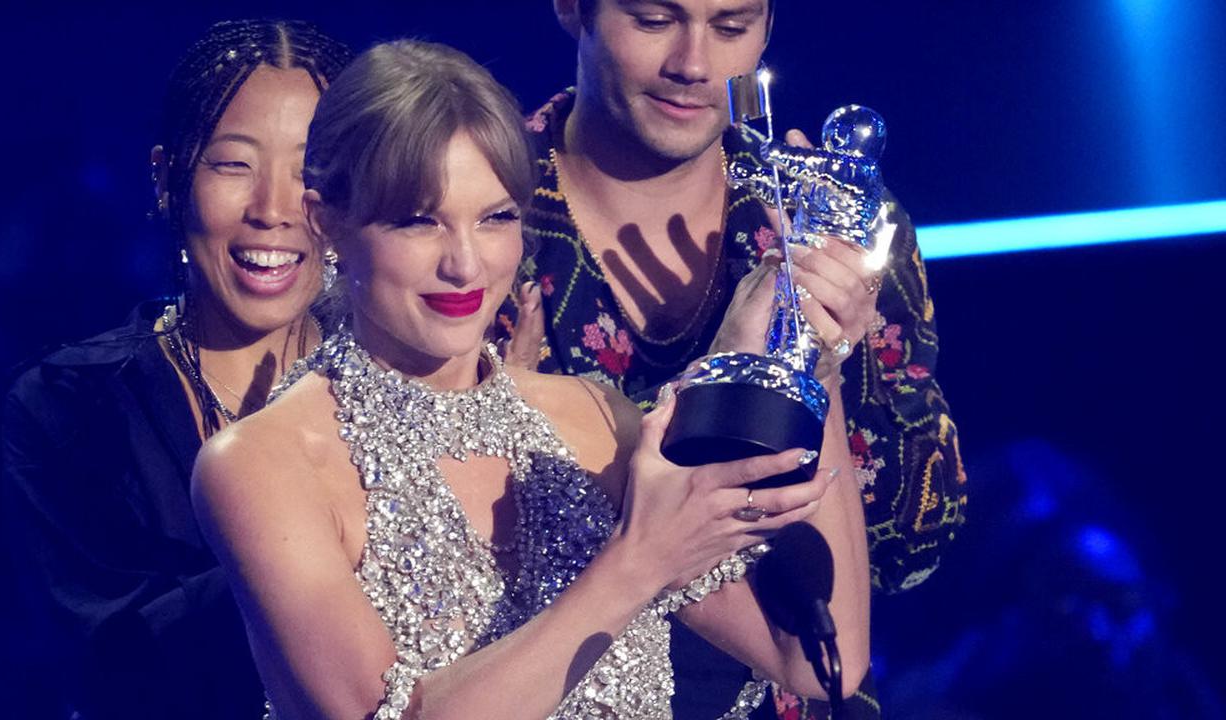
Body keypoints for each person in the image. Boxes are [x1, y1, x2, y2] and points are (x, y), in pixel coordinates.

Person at [191, 39, 871, 720]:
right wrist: (636, 562)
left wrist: (810, 343)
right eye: (419, 221)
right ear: (326, 222)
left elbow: (816, 662)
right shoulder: (261, 465)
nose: (465, 264)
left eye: (495, 218)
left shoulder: (592, 420)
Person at [495, 1, 967, 715]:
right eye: (654, 20)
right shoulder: (482, 215)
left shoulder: (836, 221)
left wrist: (822, 360)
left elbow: (911, 546)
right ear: (572, 9)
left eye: (730, 27)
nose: (692, 65)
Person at [1, 20, 351, 719]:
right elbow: (113, 661)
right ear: (167, 177)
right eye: (233, 164)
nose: (274, 210)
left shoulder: (410, 380)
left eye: (309, 171)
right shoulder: (72, 404)